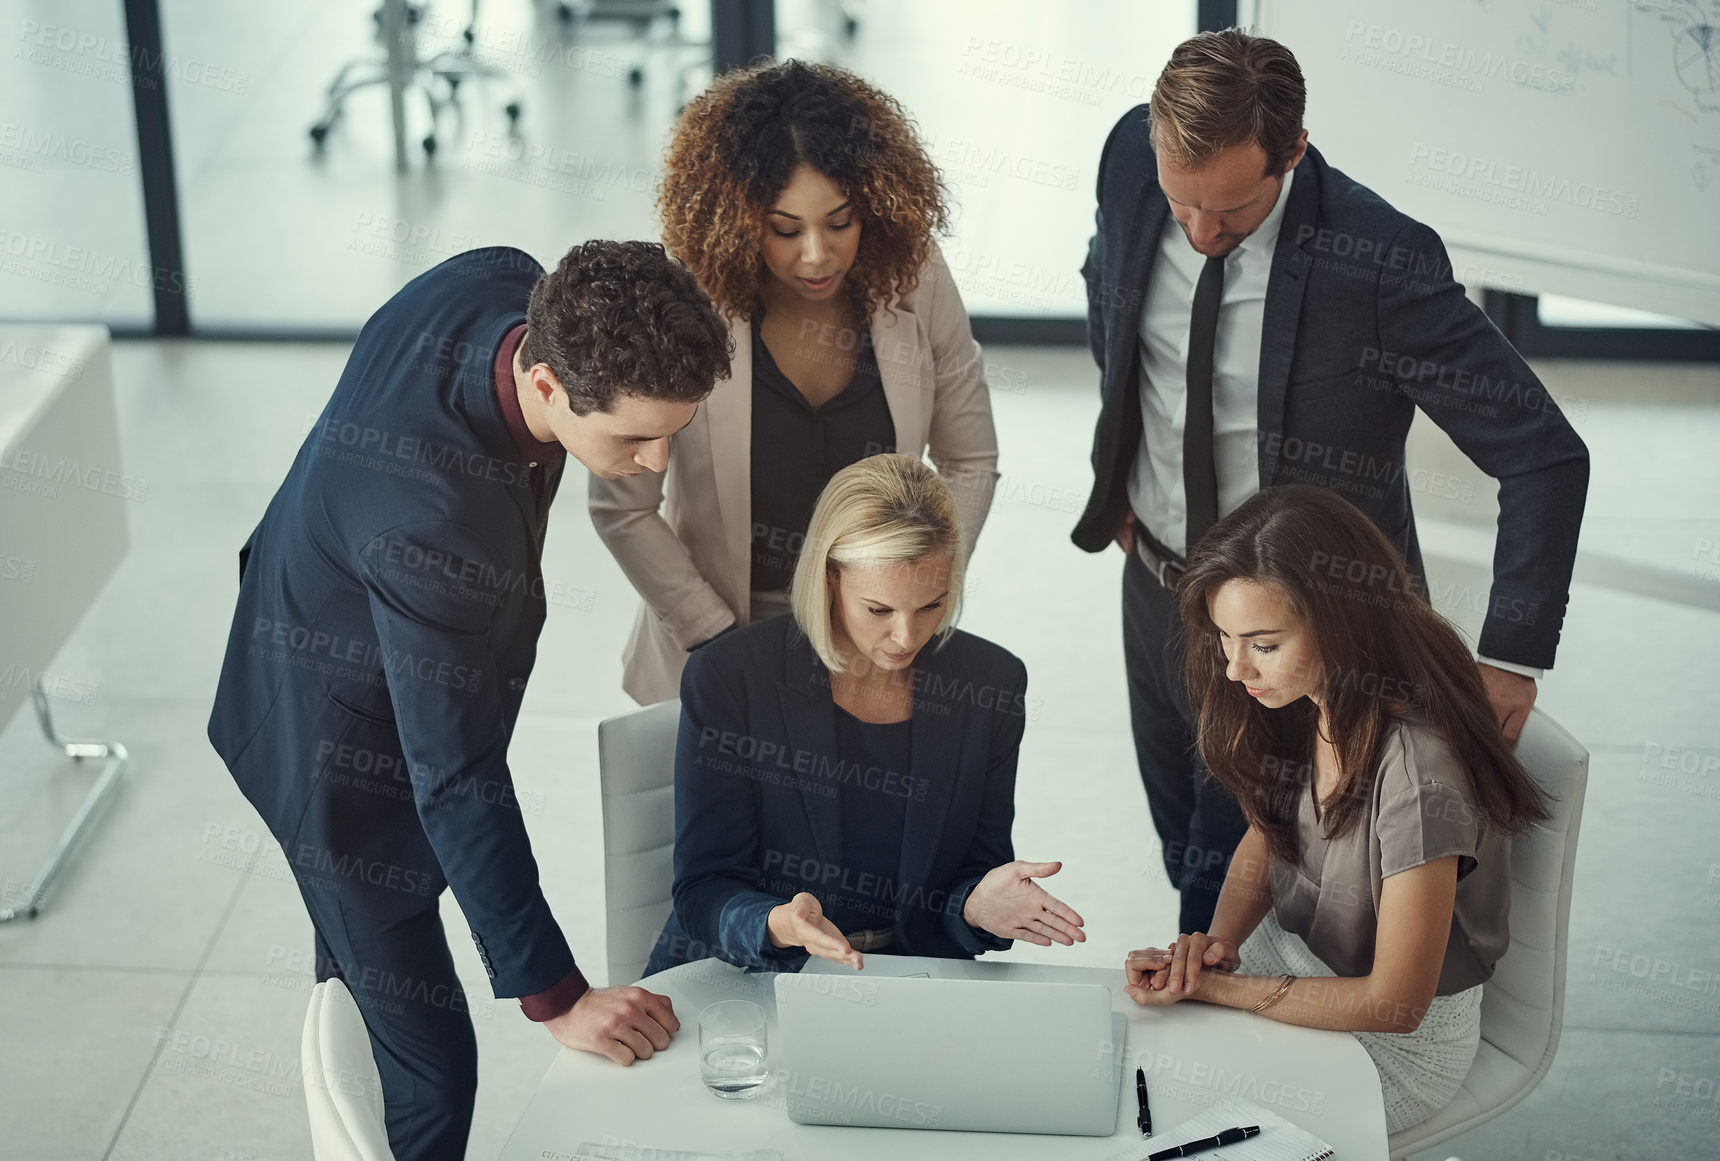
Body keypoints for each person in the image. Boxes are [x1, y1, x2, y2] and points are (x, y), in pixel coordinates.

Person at [207, 241, 732, 1161]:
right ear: (543, 383)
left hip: (339, 595)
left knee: (366, 988)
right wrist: (560, 997)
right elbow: (454, 778)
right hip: (333, 758)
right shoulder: (432, 529)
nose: (654, 464)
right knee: (434, 1069)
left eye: (672, 431)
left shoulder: (499, 280)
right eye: (633, 437)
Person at [1072, 29, 1588, 933]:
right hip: (1156, 585)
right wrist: (1117, 472)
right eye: (1179, 202)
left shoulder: (1381, 261)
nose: (1199, 233)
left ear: (1293, 152)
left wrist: (1511, 653)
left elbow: (1544, 451)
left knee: (1221, 898)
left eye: (1228, 213)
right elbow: (1107, 283)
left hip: (1304, 634)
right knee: (1184, 849)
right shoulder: (1127, 155)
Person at [1122, 484, 1550, 1132]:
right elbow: (1268, 838)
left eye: (1262, 644)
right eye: (1225, 638)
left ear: (1342, 624)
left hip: (1395, 1044)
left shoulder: (1417, 773)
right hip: (1291, 957)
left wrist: (1220, 989)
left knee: (1180, 1116)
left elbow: (1396, 1002)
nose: (1235, 668)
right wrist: (1214, 948)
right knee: (1144, 1067)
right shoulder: (1304, 693)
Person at [592, 58, 999, 705]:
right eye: (785, 230)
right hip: (715, 642)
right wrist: (716, 637)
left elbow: (971, 458)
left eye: (839, 221)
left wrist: (914, 593)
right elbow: (623, 505)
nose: (816, 253)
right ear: (737, 218)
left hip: (875, 649)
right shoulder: (685, 294)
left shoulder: (916, 276)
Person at [646, 455, 1081, 975]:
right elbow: (703, 890)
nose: (907, 637)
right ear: (829, 576)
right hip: (751, 973)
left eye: (931, 606)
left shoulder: (989, 683)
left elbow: (972, 870)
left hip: (910, 973)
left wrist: (978, 906)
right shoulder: (732, 676)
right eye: (879, 609)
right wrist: (775, 923)